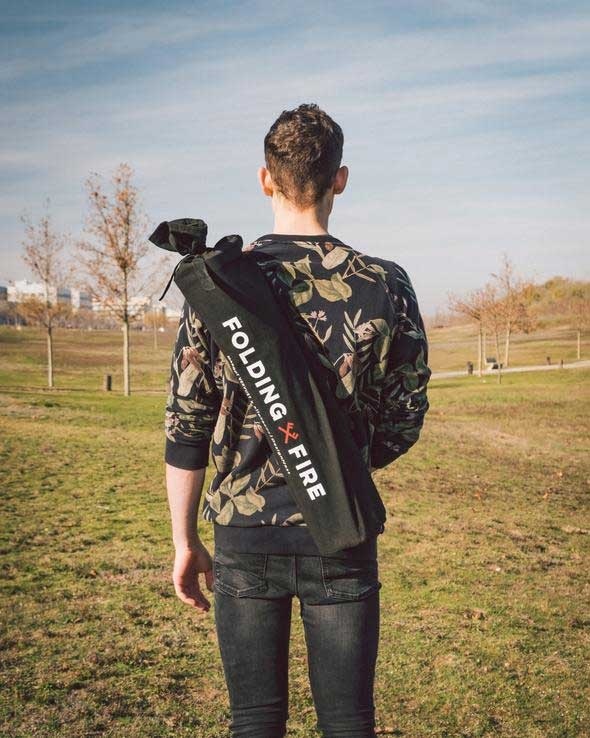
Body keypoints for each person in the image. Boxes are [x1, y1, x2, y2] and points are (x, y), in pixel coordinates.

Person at [164, 103, 432, 738]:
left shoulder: (219, 284)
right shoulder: (384, 284)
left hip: (244, 536)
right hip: (341, 529)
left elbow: (187, 423)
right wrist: (342, 463)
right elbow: (406, 412)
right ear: (340, 179)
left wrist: (184, 540)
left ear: (266, 179)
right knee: (348, 721)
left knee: (255, 721)